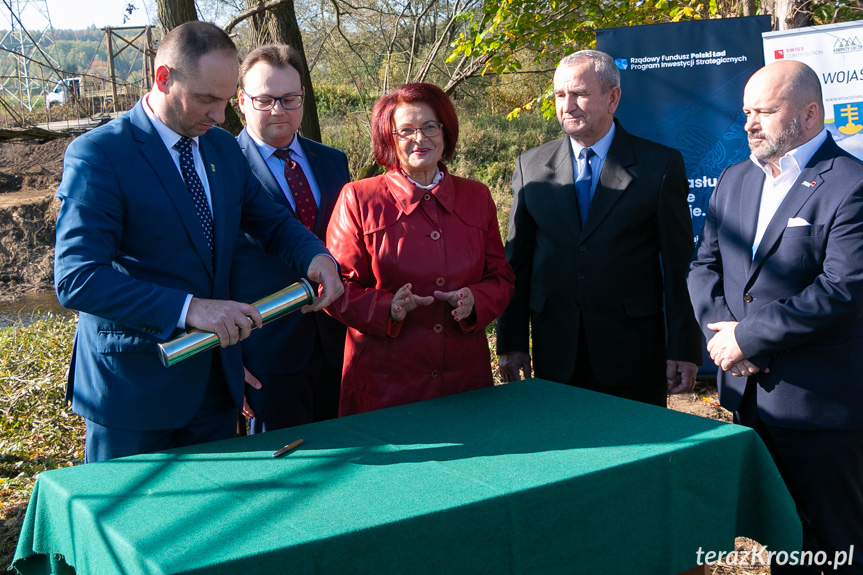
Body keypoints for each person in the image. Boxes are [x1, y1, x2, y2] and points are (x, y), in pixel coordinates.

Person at [53, 22, 343, 463]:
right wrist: (190, 309)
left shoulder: (222, 150)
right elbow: (77, 278)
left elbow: (272, 222)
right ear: (163, 78)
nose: (220, 115)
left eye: (227, 100)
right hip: (135, 389)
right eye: (207, 99)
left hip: (215, 388)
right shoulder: (100, 155)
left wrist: (315, 256)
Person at [689, 60, 863, 573]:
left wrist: (748, 337)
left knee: (834, 545)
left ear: (810, 114)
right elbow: (704, 265)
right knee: (780, 537)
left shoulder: (850, 184)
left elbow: (844, 288)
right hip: (747, 400)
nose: (749, 122)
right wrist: (725, 337)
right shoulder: (735, 178)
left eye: (764, 110)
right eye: (746, 110)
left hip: (820, 408)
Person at [496, 50, 701, 406]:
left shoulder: (659, 166)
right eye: (560, 95)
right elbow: (518, 262)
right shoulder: (531, 166)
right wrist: (512, 343)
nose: (568, 105)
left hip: (633, 354)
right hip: (555, 353)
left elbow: (679, 264)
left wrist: (683, 346)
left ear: (613, 98)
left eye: (579, 93)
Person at [325, 82, 515, 416]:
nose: (420, 138)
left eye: (430, 126)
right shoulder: (358, 198)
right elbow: (335, 288)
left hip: (464, 380)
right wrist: (387, 308)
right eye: (406, 130)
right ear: (389, 138)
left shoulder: (477, 196)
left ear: (446, 131)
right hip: (386, 384)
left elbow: (501, 278)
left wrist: (476, 300)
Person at [232, 44, 350, 431]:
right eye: (264, 100)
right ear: (241, 101)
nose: (278, 110)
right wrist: (228, 359)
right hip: (264, 355)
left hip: (336, 342)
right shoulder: (222, 168)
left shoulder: (332, 161)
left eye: (289, 99)